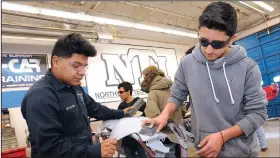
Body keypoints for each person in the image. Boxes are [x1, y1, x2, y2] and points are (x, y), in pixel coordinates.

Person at [143, 2, 267, 157]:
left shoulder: (248, 67)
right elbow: (177, 95)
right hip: (205, 150)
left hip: (241, 152)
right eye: (203, 41)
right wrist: (164, 115)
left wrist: (222, 137)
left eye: (217, 44)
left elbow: (258, 113)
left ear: (231, 39)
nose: (209, 50)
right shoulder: (187, 63)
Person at [21, 33, 132, 158]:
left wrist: (123, 113)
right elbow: (50, 149)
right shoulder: (40, 96)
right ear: (56, 61)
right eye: (76, 65)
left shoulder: (74, 87)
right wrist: (95, 151)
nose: (82, 72)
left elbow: (95, 109)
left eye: (85, 66)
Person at [140, 65, 184, 157]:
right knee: (180, 152)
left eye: (144, 77)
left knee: (167, 153)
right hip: (179, 129)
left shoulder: (153, 92)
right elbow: (182, 107)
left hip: (164, 132)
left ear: (148, 77)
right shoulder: (173, 88)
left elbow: (152, 115)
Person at [117, 81, 147, 158]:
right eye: (118, 92)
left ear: (128, 91)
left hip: (141, 139)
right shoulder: (121, 106)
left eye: (121, 92)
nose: (119, 94)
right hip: (127, 141)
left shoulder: (139, 102)